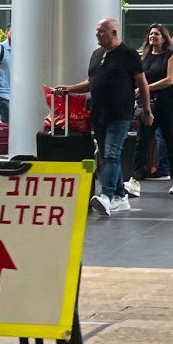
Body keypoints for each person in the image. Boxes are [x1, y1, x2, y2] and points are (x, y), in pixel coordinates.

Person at [54, 17, 152, 217]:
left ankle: (106, 196)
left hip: (120, 114)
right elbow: (91, 82)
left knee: (111, 154)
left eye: (101, 31)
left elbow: (142, 84)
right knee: (107, 156)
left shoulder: (129, 54)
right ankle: (121, 196)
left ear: (113, 33)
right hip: (99, 114)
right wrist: (69, 89)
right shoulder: (97, 54)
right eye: (97, 31)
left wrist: (147, 110)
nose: (97, 35)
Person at [126, 24, 173, 196]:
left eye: (157, 34)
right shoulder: (145, 57)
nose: (153, 36)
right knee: (142, 141)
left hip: (168, 104)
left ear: (163, 37)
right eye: (151, 34)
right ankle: (135, 180)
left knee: (171, 141)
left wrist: (147, 87)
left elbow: (170, 79)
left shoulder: (171, 55)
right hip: (149, 105)